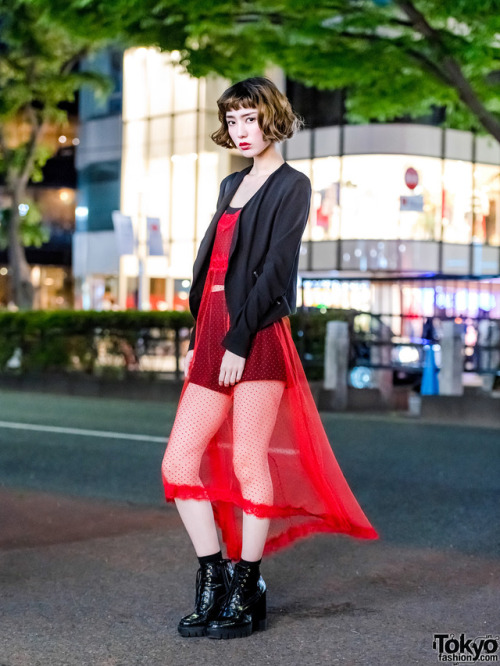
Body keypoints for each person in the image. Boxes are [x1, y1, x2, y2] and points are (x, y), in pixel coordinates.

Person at [161, 77, 378, 640]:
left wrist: (236, 340)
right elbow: (213, 271)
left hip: (255, 334)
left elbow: (277, 270)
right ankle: (213, 576)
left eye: (250, 119)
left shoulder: (292, 186)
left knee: (247, 463)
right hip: (211, 331)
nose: (240, 131)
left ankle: (246, 582)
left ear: (273, 120)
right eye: (232, 121)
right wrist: (201, 342)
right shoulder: (229, 185)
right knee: (178, 463)